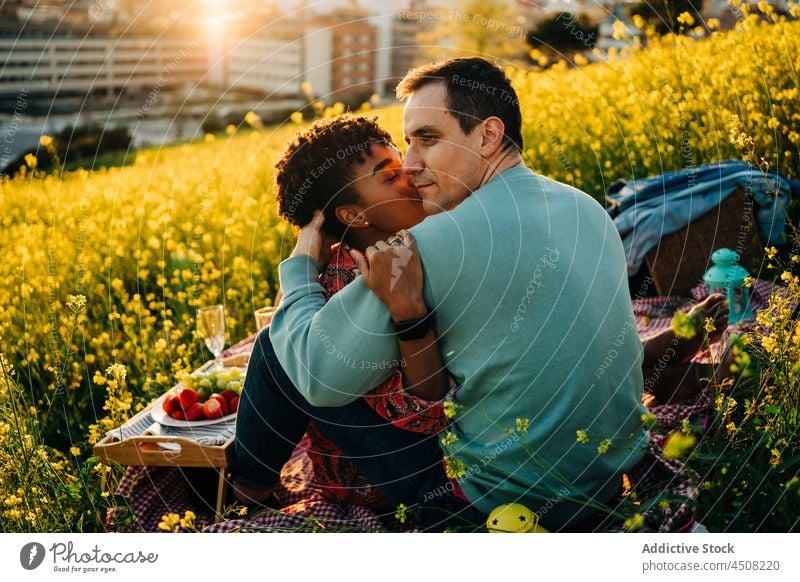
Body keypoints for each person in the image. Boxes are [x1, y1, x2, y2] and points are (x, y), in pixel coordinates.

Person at [264, 56, 651, 531]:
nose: (409, 163)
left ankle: (244, 490)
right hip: (611, 483)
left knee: (278, 343)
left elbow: (314, 375)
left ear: (488, 136)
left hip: (496, 509)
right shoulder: (587, 207)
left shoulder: (428, 244)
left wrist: (301, 267)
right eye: (408, 143)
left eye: (428, 139)